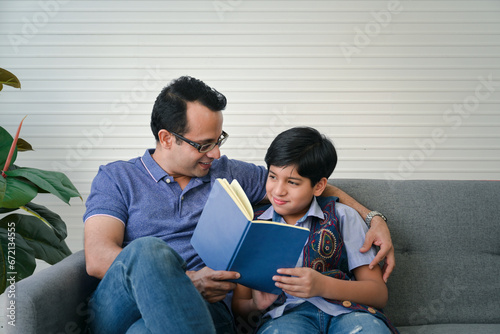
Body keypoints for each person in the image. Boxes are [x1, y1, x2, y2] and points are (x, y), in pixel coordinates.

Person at [83, 76, 395, 333]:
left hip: (205, 313)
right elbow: (98, 258)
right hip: (124, 304)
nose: (215, 154)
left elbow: (307, 183)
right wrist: (186, 282)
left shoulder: (227, 172)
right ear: (166, 139)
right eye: (204, 144)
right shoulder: (117, 177)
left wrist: (373, 218)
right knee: (148, 251)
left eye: (219, 140)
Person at [231, 127, 398, 333]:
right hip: (286, 317)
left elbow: (378, 294)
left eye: (292, 182)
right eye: (273, 177)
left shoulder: (343, 216)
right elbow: (239, 304)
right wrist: (257, 305)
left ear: (319, 187)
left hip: (348, 312)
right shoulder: (253, 227)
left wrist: (322, 286)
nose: (278, 190)